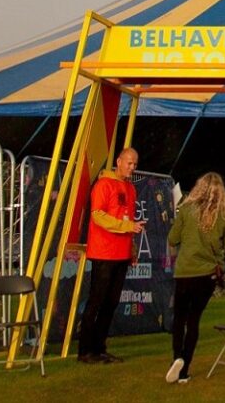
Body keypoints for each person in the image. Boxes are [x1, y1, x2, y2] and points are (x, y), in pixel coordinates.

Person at [164, 171, 225, 384]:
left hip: (185, 271)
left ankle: (177, 357)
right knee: (194, 320)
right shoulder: (224, 215)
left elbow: (173, 238)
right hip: (207, 275)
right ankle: (184, 368)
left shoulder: (186, 209)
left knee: (179, 319)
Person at [78, 147, 144, 364]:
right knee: (96, 301)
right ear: (118, 161)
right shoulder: (104, 184)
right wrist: (125, 226)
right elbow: (98, 216)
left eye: (135, 164)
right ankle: (85, 350)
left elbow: (129, 220)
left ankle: (100, 347)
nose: (132, 167)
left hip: (121, 253)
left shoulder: (130, 188)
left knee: (111, 303)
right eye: (129, 162)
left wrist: (132, 249)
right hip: (104, 252)